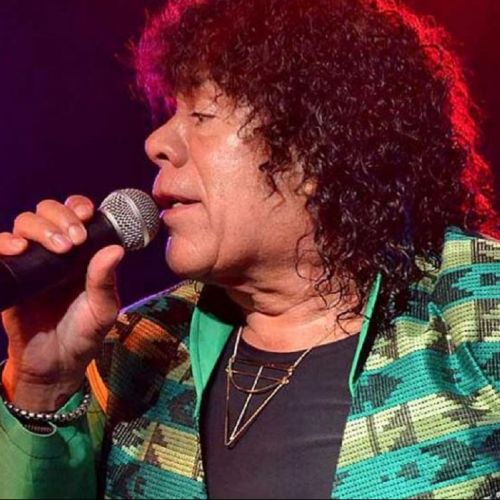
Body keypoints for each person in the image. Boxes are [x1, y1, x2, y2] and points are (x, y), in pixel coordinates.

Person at [0, 0, 499, 498]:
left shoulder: (478, 309)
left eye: (202, 114)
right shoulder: (137, 349)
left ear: (319, 146)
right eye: (171, 113)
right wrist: (42, 387)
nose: (156, 142)